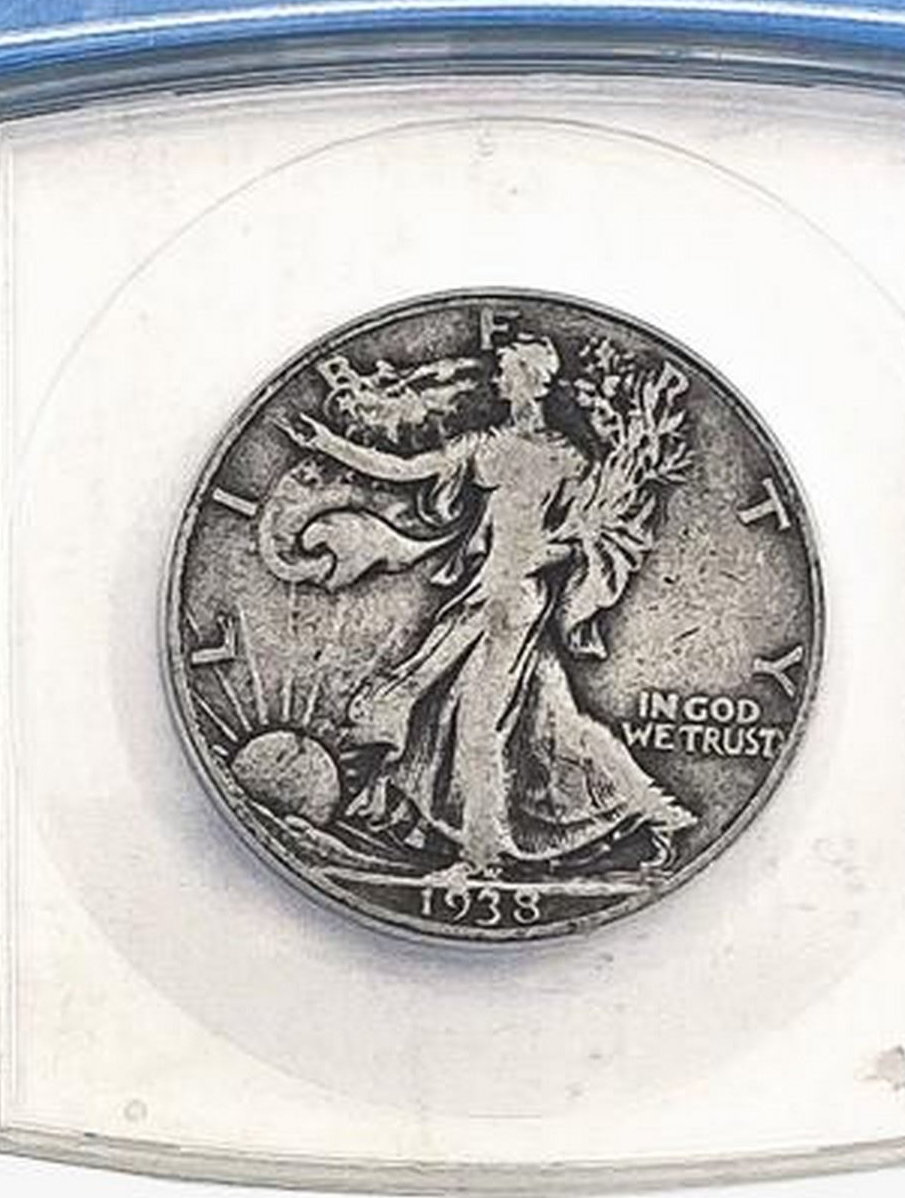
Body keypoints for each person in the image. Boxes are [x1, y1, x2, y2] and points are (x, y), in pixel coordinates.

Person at [283, 337, 695, 875]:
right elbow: (406, 468)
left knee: (478, 726)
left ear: (530, 381)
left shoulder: (568, 459)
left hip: (514, 602)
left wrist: (546, 554)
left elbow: (587, 537)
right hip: (486, 596)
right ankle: (660, 814)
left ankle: (482, 858)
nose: (498, 381)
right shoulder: (489, 446)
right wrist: (330, 444)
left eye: (506, 373)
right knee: (550, 719)